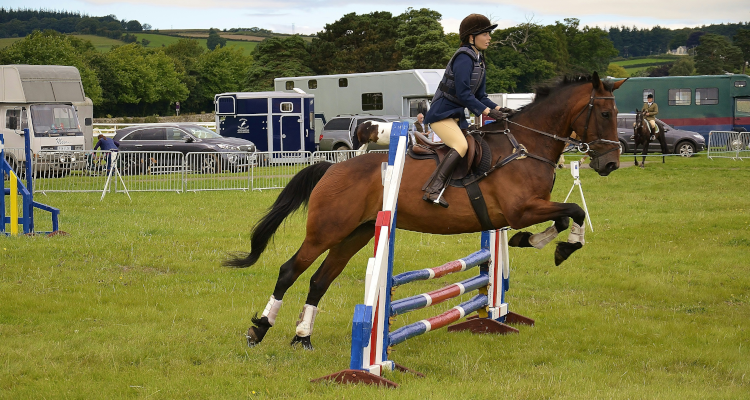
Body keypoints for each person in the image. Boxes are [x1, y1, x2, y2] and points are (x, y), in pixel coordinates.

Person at [422, 14, 506, 208]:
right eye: (485, 34)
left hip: (455, 117)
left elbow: (481, 96)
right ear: (471, 37)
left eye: (489, 34)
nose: (489, 37)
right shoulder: (463, 57)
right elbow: (464, 94)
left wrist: (501, 109)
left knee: (475, 143)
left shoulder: (479, 60)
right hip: (441, 114)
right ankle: (433, 189)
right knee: (461, 146)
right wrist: (487, 112)